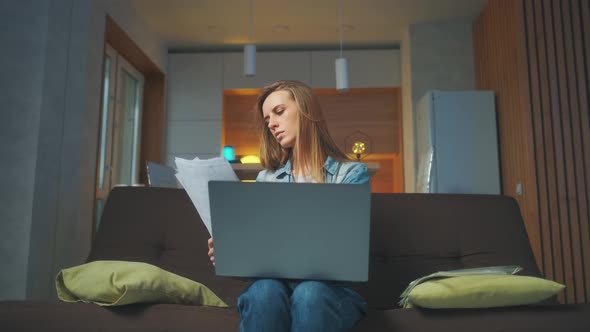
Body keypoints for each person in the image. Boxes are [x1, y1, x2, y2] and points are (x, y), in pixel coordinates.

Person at [207, 80, 369, 332]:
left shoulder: (350, 174)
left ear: (306, 111)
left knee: (309, 293)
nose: (271, 123)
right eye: (267, 119)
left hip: (330, 293)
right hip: (275, 288)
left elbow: (350, 254)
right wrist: (231, 253)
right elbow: (259, 257)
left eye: (279, 112)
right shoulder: (266, 179)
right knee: (264, 290)